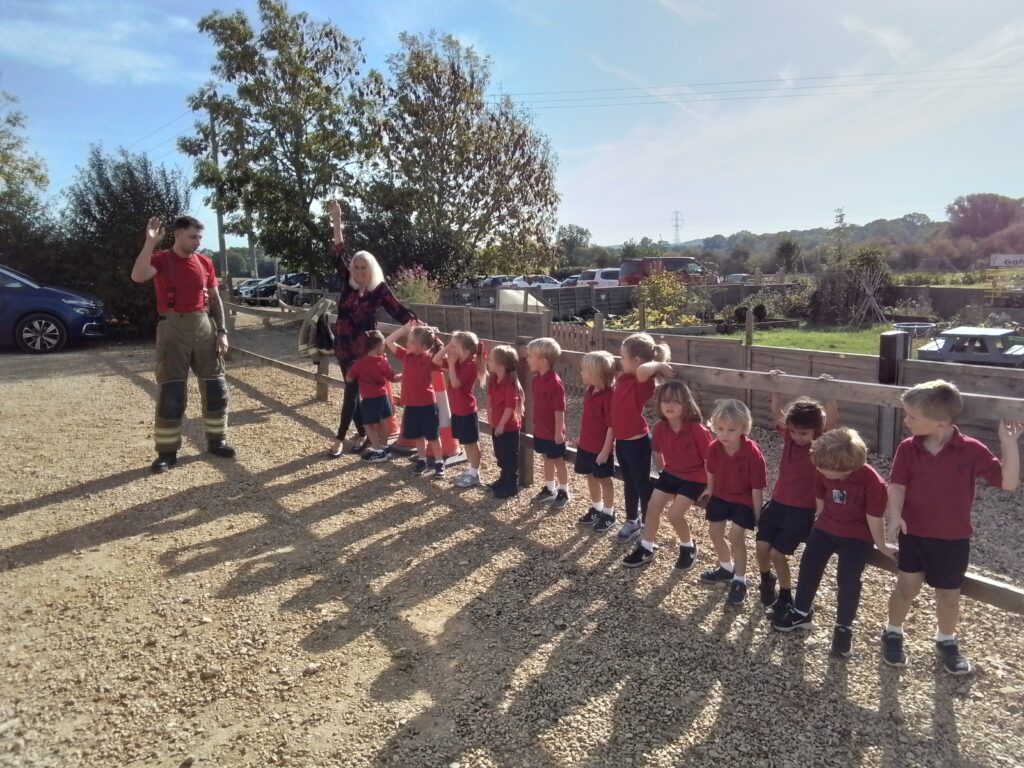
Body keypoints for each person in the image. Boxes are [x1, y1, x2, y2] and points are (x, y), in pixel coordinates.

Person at [880, 380, 1022, 674]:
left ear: (940, 424)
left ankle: (946, 640)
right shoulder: (908, 448)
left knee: (948, 594)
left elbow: (1008, 483)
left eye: (912, 417)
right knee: (907, 587)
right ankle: (893, 631)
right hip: (914, 534)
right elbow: (896, 485)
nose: (906, 421)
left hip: (953, 539)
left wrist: (1008, 442)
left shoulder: (971, 449)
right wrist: (894, 514)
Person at [771, 428, 890, 659]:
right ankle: (801, 611)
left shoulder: (872, 482)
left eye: (822, 468)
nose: (818, 470)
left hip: (856, 535)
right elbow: (821, 496)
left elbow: (875, 517)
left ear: (844, 469)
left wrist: (882, 545)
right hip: (826, 527)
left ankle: (843, 628)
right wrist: (819, 520)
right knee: (809, 565)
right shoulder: (823, 472)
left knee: (848, 579)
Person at [130, 215, 235, 473]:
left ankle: (217, 440)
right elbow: (138, 275)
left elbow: (214, 299)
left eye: (199, 237)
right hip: (172, 328)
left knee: (216, 389)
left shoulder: (205, 262)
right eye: (192, 237)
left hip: (203, 326)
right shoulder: (161, 259)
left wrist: (222, 331)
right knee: (172, 394)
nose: (197, 242)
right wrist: (149, 243)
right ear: (177, 234)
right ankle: (166, 452)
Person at [327, 200, 417, 457]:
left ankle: (340, 438)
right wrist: (337, 221)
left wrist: (416, 325)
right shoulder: (348, 283)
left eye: (363, 267)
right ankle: (363, 433)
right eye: (356, 267)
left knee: (352, 390)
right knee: (354, 388)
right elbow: (338, 252)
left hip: (365, 348)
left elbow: (398, 310)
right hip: (344, 346)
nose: (358, 271)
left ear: (371, 269)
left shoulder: (379, 290)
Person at [756, 375, 839, 619]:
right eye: (793, 432)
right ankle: (766, 579)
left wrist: (829, 392)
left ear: (817, 431)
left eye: (803, 433)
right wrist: (777, 385)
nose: (797, 437)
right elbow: (777, 413)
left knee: (776, 553)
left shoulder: (819, 445)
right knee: (761, 548)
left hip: (800, 511)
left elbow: (833, 421)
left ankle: (785, 595)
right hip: (777, 503)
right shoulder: (790, 440)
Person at [622, 381, 712, 571]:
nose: (670, 405)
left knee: (674, 515)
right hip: (671, 473)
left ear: (686, 405)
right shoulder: (660, 427)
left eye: (676, 402)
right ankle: (646, 547)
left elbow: (709, 461)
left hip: (694, 478)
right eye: (666, 401)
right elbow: (657, 452)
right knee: (652, 506)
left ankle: (688, 546)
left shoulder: (697, 430)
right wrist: (664, 471)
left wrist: (710, 486)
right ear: (659, 404)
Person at [699, 399, 768, 605]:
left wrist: (757, 516)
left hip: (743, 499)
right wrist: (710, 491)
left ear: (743, 429)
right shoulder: (714, 447)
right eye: (719, 429)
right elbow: (710, 471)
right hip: (721, 494)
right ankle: (726, 568)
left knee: (736, 536)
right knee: (714, 532)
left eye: (731, 429)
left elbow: (757, 488)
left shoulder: (752, 453)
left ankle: (740, 579)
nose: (724, 434)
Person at [607, 333, 674, 540]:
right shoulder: (625, 378)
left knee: (642, 484)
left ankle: (648, 523)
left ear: (636, 360)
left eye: (623, 357)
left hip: (637, 442)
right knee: (628, 483)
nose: (620, 361)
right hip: (623, 442)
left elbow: (645, 369)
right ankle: (632, 520)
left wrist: (659, 366)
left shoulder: (642, 380)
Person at [385, 321, 445, 478]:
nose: (407, 343)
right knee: (418, 435)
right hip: (411, 404)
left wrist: (432, 334)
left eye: (412, 342)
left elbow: (441, 351)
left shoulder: (431, 359)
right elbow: (388, 341)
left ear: (424, 346)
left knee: (432, 435)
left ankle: (439, 462)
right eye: (408, 340)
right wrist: (404, 330)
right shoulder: (407, 355)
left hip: (427, 404)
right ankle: (422, 460)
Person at [434, 331, 488, 488]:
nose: (451, 350)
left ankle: (475, 473)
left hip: (466, 410)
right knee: (466, 442)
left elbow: (456, 383)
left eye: (454, 346)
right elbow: (436, 360)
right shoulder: (458, 362)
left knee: (471, 443)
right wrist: (447, 348)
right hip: (458, 410)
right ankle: (472, 470)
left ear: (464, 350)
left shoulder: (470, 365)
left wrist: (450, 364)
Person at [573, 351, 616, 529]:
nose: (581, 373)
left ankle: (609, 512)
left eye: (585, 370)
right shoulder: (590, 391)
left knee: (604, 480)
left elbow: (611, 426)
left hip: (600, 448)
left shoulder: (609, 396)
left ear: (596, 374)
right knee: (590, 477)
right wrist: (580, 438)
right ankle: (597, 508)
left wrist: (606, 450)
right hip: (586, 445)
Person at [526, 338, 570, 509]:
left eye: (531, 356)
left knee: (558, 460)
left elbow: (559, 410)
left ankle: (564, 490)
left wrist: (559, 432)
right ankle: (549, 488)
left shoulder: (554, 382)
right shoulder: (536, 379)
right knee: (546, 458)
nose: (528, 359)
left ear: (543, 361)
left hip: (553, 431)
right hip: (541, 430)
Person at [345, 331, 399, 463]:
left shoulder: (359, 364)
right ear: (380, 345)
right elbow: (392, 378)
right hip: (383, 396)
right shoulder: (383, 362)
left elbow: (349, 378)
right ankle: (385, 447)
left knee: (368, 425)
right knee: (383, 421)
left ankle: (378, 450)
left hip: (369, 399)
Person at [486, 345, 525, 499]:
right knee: (500, 455)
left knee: (509, 457)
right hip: (497, 425)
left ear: (500, 364)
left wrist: (501, 424)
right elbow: (490, 400)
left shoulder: (509, 384)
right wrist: (491, 418)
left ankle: (511, 485)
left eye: (491, 360)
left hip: (508, 428)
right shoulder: (494, 379)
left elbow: (510, 407)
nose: (488, 362)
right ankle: (503, 479)